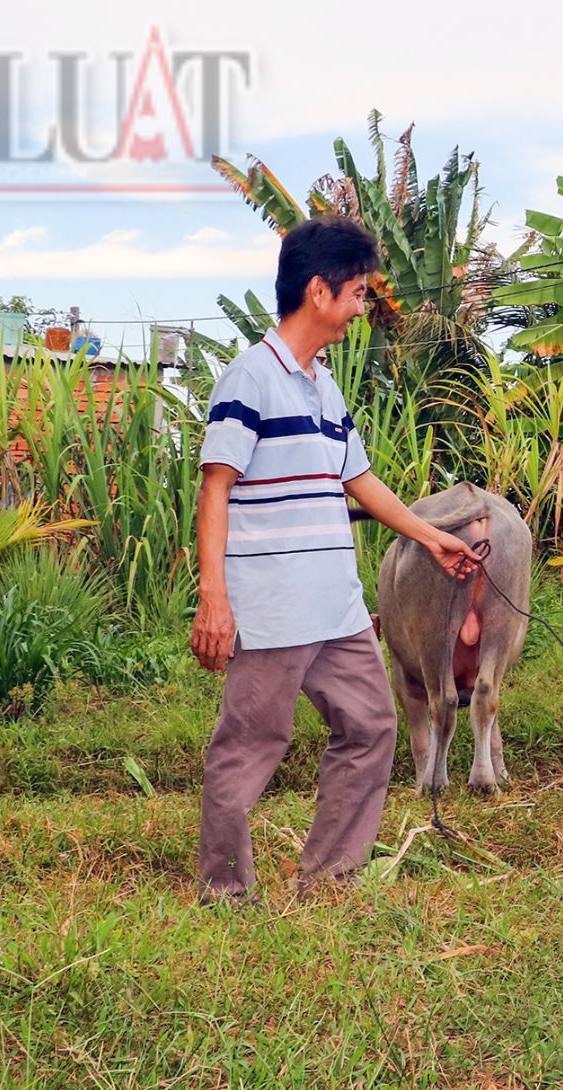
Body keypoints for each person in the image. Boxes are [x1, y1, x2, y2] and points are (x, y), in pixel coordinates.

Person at [191, 215, 479, 904]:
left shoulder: (324, 385)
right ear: (319, 291)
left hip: (337, 609)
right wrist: (214, 597)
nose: (359, 309)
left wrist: (431, 534)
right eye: (354, 293)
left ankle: (330, 878)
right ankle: (225, 892)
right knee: (249, 747)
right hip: (274, 607)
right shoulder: (249, 379)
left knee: (372, 727)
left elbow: (360, 479)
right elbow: (215, 488)